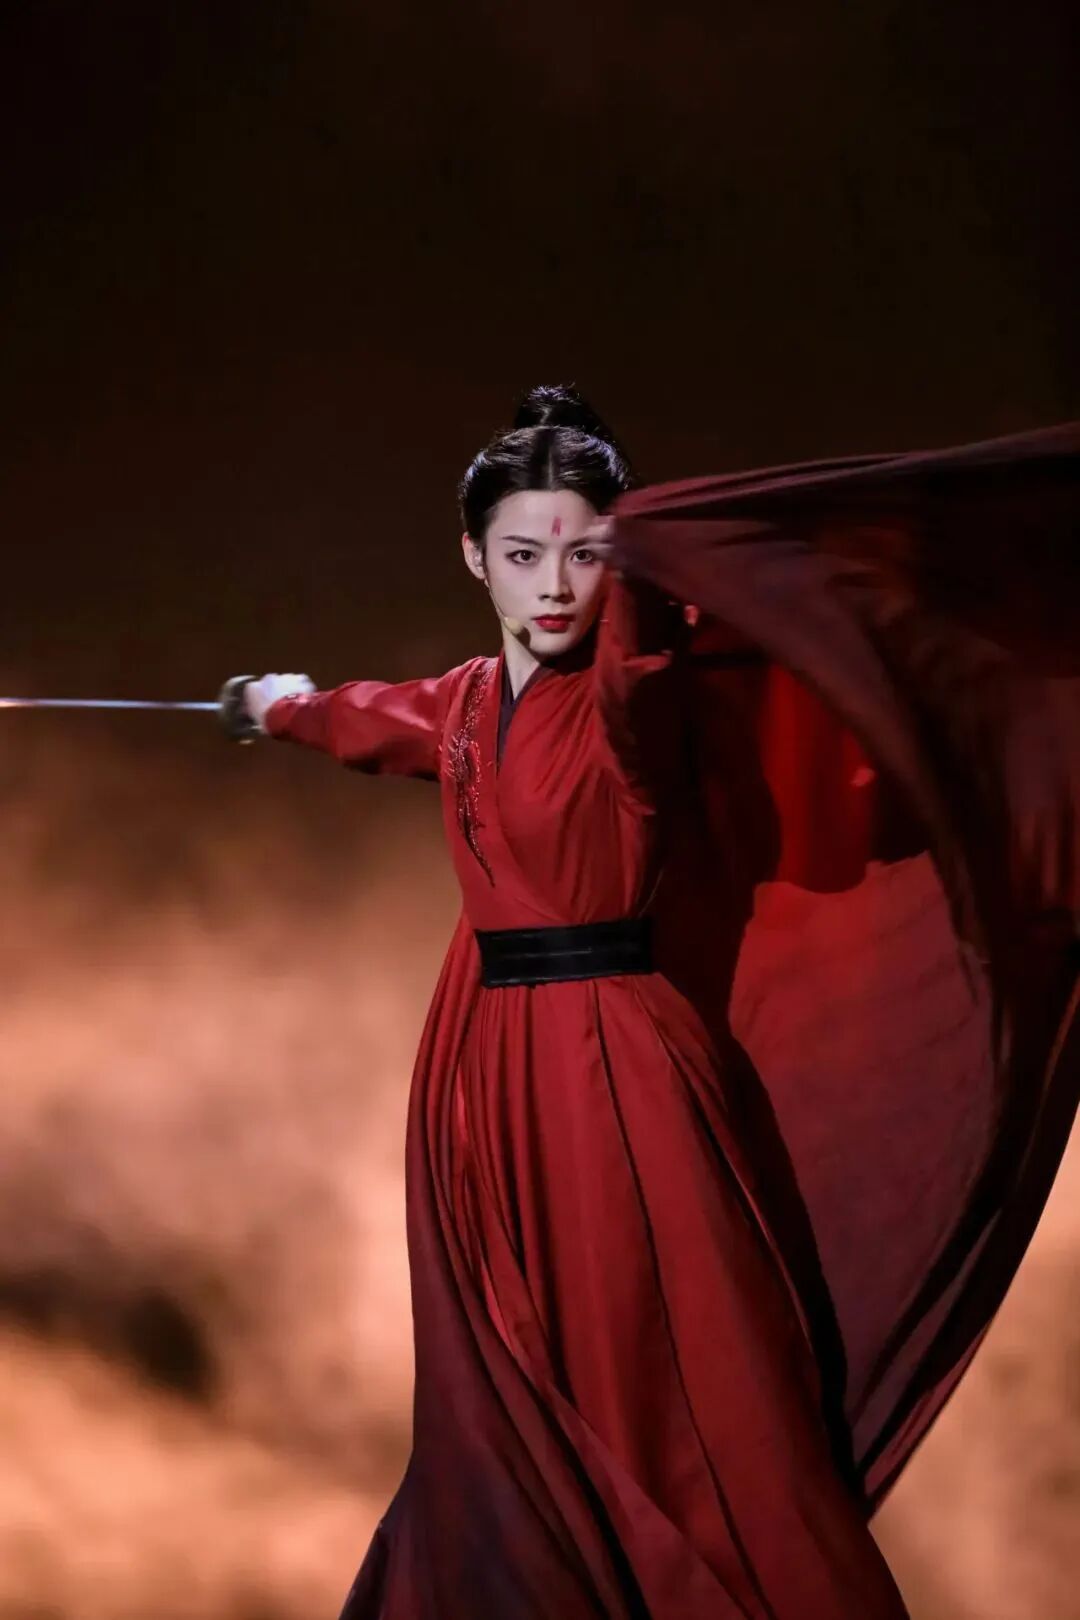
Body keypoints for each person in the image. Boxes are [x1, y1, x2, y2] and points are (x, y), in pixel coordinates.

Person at [241, 386, 1080, 1619]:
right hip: (483, 1073)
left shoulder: (630, 692)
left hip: (610, 1064)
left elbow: (639, 655)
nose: (554, 587)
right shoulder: (469, 698)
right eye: (523, 555)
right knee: (505, 1388)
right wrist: (277, 707)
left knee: (667, 1380)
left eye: (585, 555)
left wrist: (656, 557)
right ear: (474, 556)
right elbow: (379, 721)